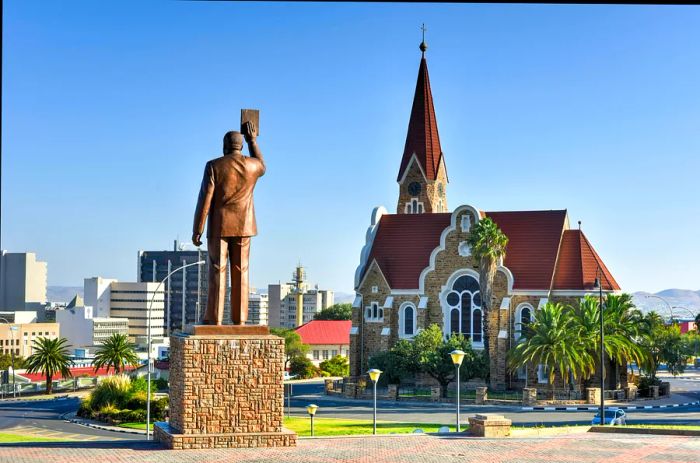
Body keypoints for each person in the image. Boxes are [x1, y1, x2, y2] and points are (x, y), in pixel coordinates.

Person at [192, 121, 265, 325]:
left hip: (219, 226)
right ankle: (240, 320)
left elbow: (204, 199)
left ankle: (214, 318)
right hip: (244, 225)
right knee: (241, 269)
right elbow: (263, 165)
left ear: (224, 146)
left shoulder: (214, 166)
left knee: (217, 269)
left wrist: (198, 228)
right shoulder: (253, 166)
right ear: (241, 146)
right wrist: (253, 141)